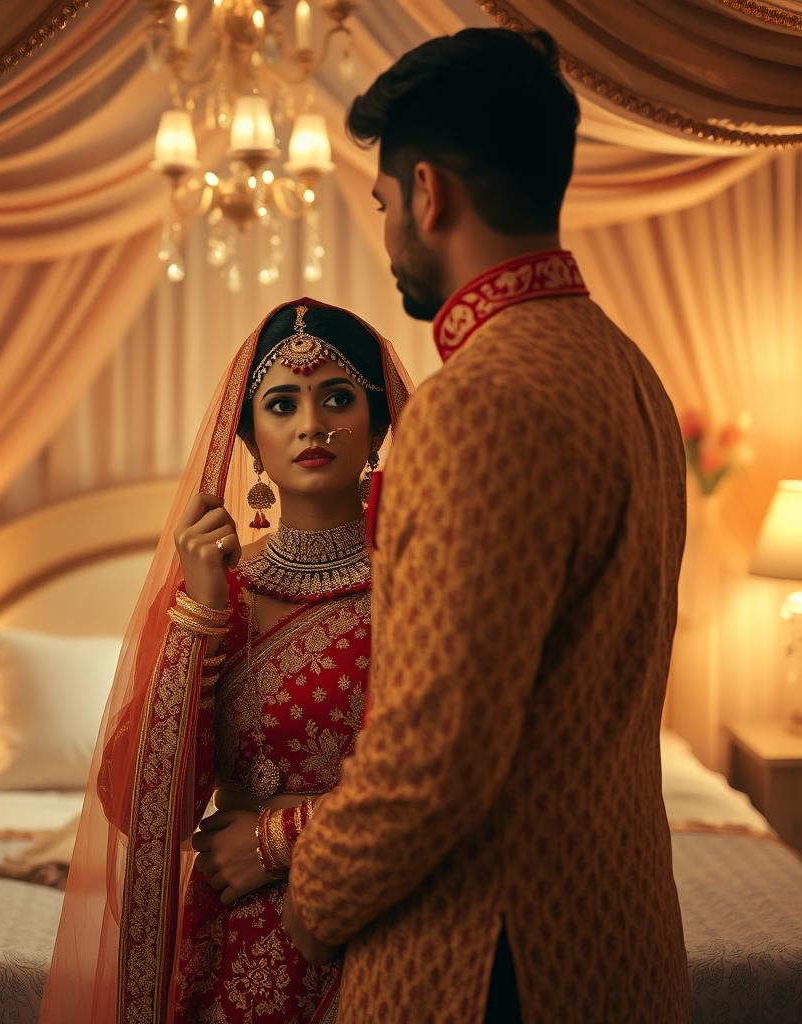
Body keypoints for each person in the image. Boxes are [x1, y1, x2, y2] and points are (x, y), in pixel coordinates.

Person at [281, 28, 693, 1024]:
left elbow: (432, 757)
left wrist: (307, 895)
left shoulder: (475, 404)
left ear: (427, 193)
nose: (385, 236)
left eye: (379, 204)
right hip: (623, 940)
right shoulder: (629, 373)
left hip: (489, 964)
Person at [38, 298, 411, 1024]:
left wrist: (277, 841)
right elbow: (146, 810)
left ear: (377, 428)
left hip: (382, 921)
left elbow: (447, 773)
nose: (312, 423)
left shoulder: (419, 590)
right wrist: (201, 612)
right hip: (231, 932)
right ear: (250, 439)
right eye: (282, 403)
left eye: (338, 397)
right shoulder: (219, 596)